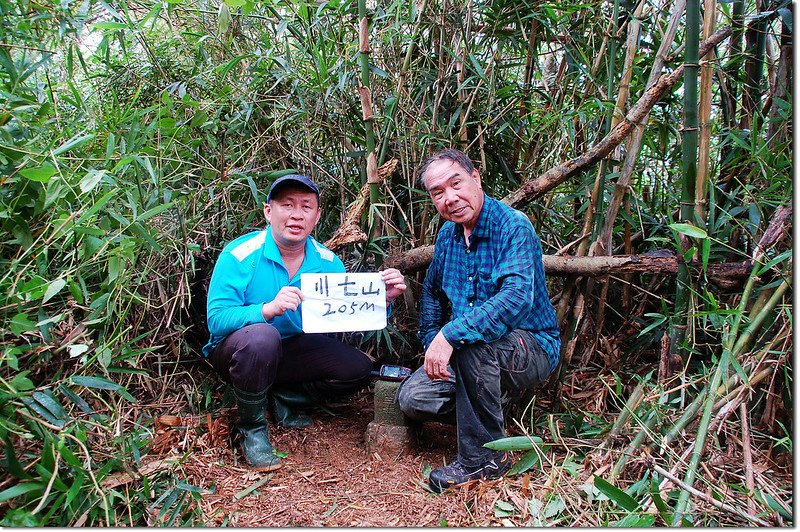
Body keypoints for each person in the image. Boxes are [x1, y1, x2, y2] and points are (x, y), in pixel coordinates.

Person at [203, 174, 407, 471]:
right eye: (287, 205)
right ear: (268, 211)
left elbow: (350, 315)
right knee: (262, 337)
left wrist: (383, 300)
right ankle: (252, 428)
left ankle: (281, 396)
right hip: (240, 349)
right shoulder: (239, 255)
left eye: (306, 207)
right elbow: (217, 321)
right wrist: (267, 309)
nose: (296, 214)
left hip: (291, 350)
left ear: (317, 216)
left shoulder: (327, 262)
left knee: (357, 369)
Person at [396, 149, 560, 492]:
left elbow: (516, 299)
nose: (450, 198)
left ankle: (483, 461)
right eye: (438, 192)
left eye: (456, 184)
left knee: (473, 345)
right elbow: (433, 292)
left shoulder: (513, 226)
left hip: (529, 345)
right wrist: (431, 339)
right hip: (469, 352)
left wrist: (450, 336)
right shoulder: (447, 236)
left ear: (476, 178)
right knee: (412, 399)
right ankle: (490, 402)